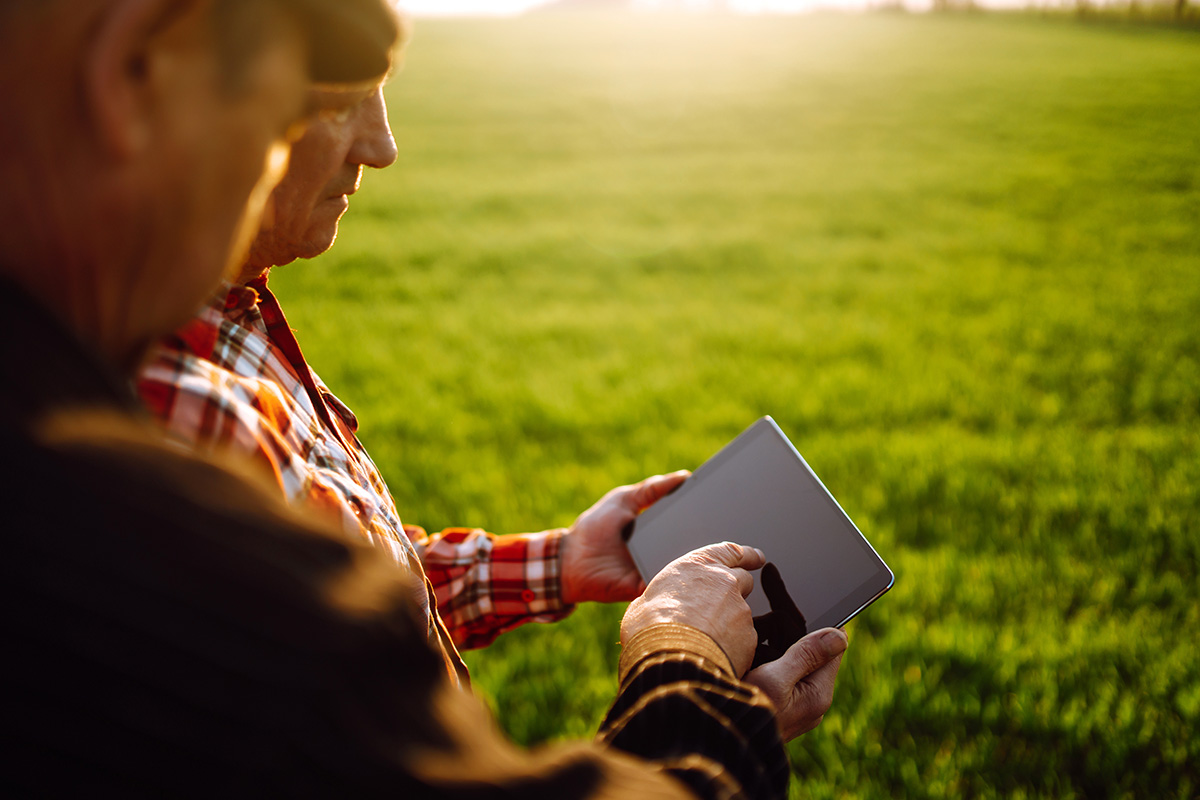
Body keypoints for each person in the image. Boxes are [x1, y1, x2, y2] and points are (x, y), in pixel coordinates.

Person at [0, 0, 843, 797]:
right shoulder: (147, 463)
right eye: (303, 107)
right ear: (133, 71)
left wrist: (553, 564)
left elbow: (330, 583)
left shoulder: (204, 328)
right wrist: (684, 665)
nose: (382, 149)